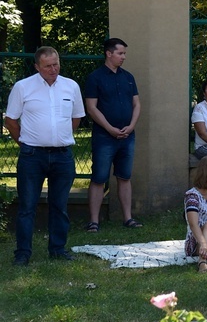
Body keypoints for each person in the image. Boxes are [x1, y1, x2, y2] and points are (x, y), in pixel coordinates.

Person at [6, 47, 85, 266]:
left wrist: (59, 136)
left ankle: (58, 249)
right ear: (37, 67)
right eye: (48, 66)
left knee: (59, 205)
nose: (53, 69)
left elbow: (76, 118)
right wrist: (25, 143)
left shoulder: (71, 86)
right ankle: (22, 253)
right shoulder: (23, 87)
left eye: (56, 64)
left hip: (62, 155)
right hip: (32, 155)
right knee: (27, 206)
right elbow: (11, 121)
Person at [84, 38, 142, 232]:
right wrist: (109, 128)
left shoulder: (128, 77)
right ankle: (94, 221)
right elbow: (91, 108)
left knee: (124, 176)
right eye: (120, 53)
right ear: (109, 53)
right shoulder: (95, 77)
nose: (123, 57)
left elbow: (136, 104)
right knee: (99, 177)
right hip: (104, 137)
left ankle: (128, 218)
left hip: (127, 136)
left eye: (124, 53)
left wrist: (131, 126)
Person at [184, 156, 207, 273]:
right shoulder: (193, 196)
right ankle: (202, 263)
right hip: (197, 241)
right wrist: (203, 243)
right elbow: (193, 224)